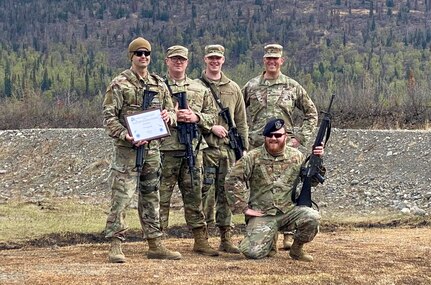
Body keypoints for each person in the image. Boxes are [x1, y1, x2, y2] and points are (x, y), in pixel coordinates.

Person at [103, 37, 181, 263]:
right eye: (139, 53)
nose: (143, 57)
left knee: (151, 196)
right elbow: (109, 117)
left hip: (153, 151)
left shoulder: (159, 83)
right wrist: (124, 135)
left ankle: (155, 244)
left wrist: (170, 116)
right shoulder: (119, 84)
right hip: (127, 152)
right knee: (122, 197)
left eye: (147, 53)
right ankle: (116, 244)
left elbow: (171, 111)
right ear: (131, 57)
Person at [242, 43, 318, 250]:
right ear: (263, 61)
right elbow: (237, 113)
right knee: (260, 191)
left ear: (281, 61)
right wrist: (243, 139)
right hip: (258, 149)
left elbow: (312, 113)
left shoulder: (292, 86)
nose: (272, 62)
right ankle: (264, 232)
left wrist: (299, 138)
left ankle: (288, 233)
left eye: (275, 59)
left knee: (288, 188)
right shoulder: (251, 86)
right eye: (268, 58)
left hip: (286, 149)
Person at [225, 118, 324, 261]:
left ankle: (297, 250)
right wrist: (244, 208)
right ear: (265, 136)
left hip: (288, 212)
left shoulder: (297, 156)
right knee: (252, 253)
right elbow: (232, 179)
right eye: (269, 135)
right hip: (262, 214)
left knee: (312, 217)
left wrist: (318, 160)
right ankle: (268, 240)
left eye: (278, 135)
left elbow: (312, 181)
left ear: (285, 136)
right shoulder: (252, 157)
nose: (273, 138)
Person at [159, 45, 219, 256]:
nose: (178, 62)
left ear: (187, 62)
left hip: (193, 149)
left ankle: (201, 240)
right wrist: (169, 116)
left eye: (182, 59)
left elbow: (213, 116)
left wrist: (196, 117)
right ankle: (158, 241)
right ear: (167, 60)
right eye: (174, 59)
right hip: (166, 149)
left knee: (195, 195)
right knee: (162, 197)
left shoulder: (200, 89)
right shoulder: (158, 87)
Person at [198, 44, 249, 253]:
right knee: (205, 194)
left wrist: (243, 150)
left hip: (227, 151)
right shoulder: (196, 86)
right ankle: (202, 238)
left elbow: (241, 121)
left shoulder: (233, 88)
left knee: (226, 194)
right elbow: (192, 117)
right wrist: (211, 127)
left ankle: (226, 238)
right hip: (206, 149)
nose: (214, 61)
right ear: (205, 59)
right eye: (211, 58)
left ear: (223, 60)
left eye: (218, 58)